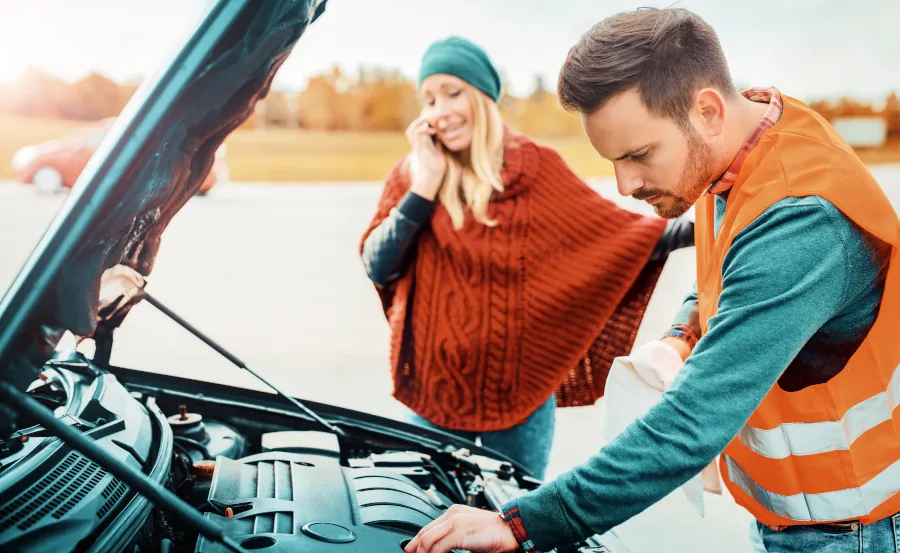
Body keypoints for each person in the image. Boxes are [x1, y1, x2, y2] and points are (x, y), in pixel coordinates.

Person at [402, 8, 899, 553]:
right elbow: (727, 269)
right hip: (808, 520)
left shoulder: (801, 219)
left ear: (707, 110)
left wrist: (521, 524)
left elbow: (691, 423)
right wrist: (685, 331)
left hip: (856, 530)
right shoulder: (746, 143)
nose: (624, 184)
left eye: (638, 155)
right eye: (613, 160)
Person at [359, 35, 695, 481]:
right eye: (429, 98)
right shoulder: (414, 172)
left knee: (512, 516)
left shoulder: (536, 166)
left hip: (520, 392)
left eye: (452, 92)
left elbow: (619, 236)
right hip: (432, 390)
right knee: (418, 516)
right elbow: (378, 265)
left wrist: (709, 222)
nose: (440, 109)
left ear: (481, 96)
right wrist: (425, 186)